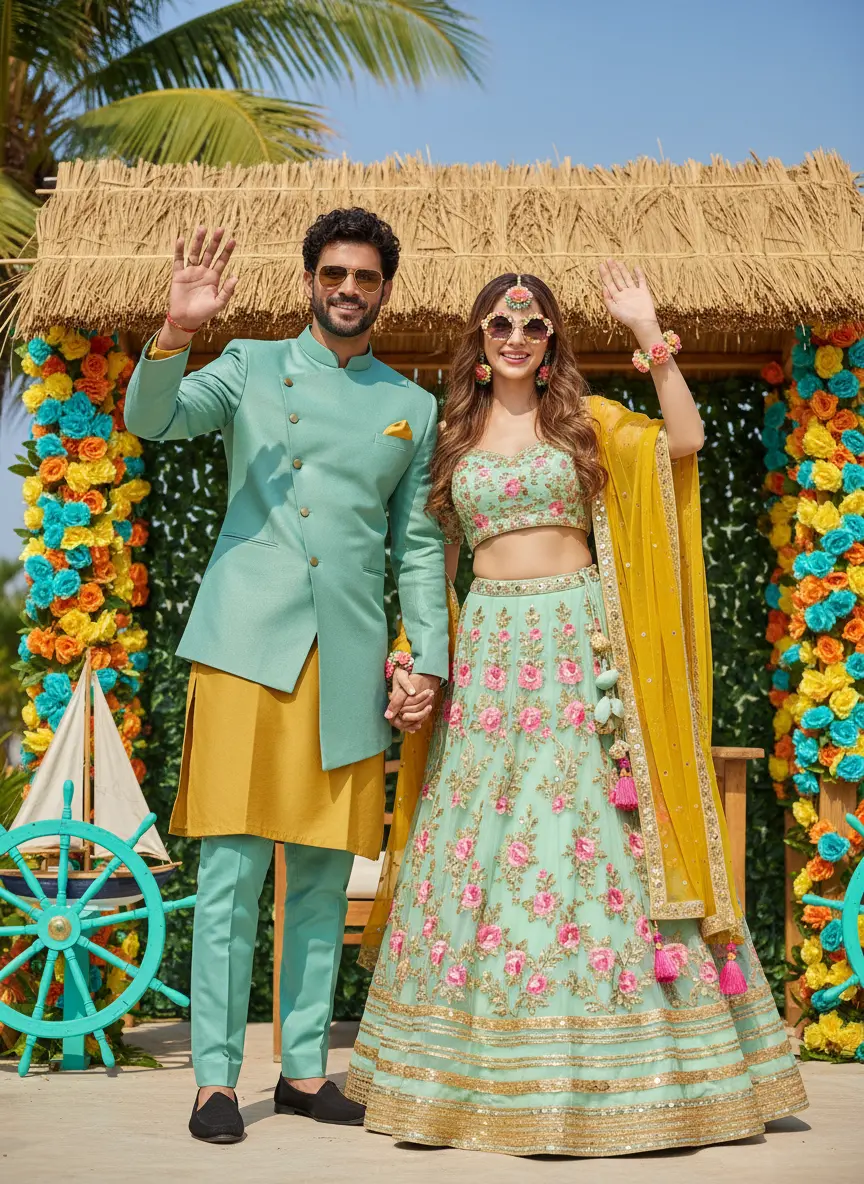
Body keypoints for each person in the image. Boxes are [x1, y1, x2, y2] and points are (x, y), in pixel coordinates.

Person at [345, 264, 808, 1156]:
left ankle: (648, 1073)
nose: (515, 340)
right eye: (499, 328)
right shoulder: (447, 438)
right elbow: (432, 566)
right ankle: (457, 1081)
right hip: (487, 655)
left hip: (580, 650)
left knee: (592, 836)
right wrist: (418, 661)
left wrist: (650, 334)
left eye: (532, 329)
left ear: (552, 342)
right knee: (480, 841)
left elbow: (686, 440)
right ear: (478, 343)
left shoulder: (586, 425)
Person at [124, 209, 449, 1144]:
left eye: (367, 278)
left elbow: (420, 546)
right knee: (229, 867)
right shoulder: (250, 364)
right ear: (310, 277)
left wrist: (424, 654)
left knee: (318, 871)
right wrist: (177, 333)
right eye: (335, 273)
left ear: (386, 289)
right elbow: (154, 420)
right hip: (244, 644)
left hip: (347, 656)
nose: (350, 290)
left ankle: (305, 1069)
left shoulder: (413, 407)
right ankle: (215, 1082)